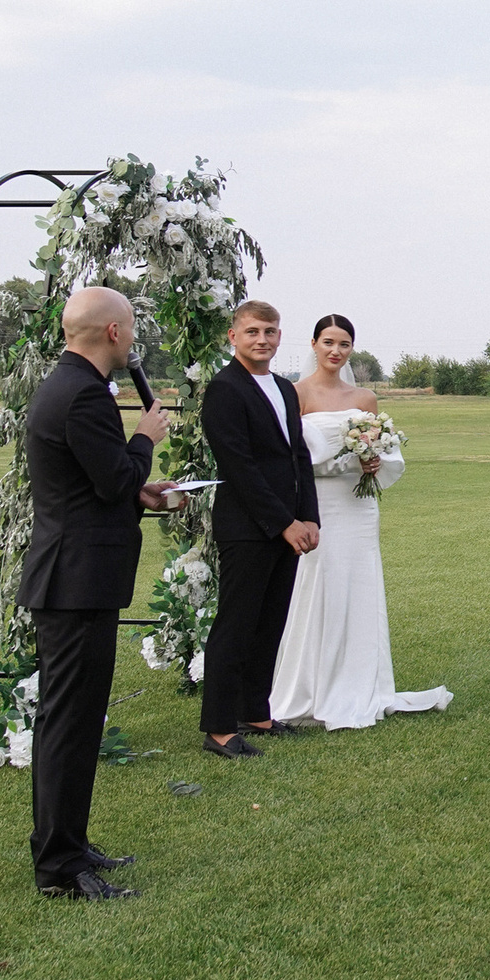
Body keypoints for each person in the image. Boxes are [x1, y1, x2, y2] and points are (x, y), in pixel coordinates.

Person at [18, 287, 175, 899]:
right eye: (131, 328)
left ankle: (71, 843)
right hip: (75, 581)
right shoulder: (82, 393)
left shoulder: (67, 384)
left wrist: (143, 486)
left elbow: (96, 483)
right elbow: (112, 479)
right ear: (113, 332)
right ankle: (59, 868)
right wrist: (145, 437)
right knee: (69, 724)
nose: (133, 339)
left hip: (76, 575)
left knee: (78, 722)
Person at [268, 315, 451, 730]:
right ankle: (309, 686)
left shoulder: (365, 398)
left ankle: (362, 683)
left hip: (358, 506)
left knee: (359, 584)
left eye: (344, 344)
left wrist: (373, 461)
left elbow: (381, 448)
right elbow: (290, 457)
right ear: (313, 344)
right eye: (328, 342)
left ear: (352, 349)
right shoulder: (294, 394)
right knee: (317, 585)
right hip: (319, 504)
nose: (336, 351)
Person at [197, 301, 320, 758]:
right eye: (252, 332)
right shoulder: (225, 389)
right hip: (248, 526)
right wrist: (284, 523)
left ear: (280, 336)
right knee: (236, 625)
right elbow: (239, 466)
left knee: (270, 624)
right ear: (233, 336)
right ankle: (218, 728)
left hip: (288, 524)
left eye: (269, 331)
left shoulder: (286, 389)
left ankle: (256, 711)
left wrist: (309, 516)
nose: (262, 339)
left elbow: (297, 457)